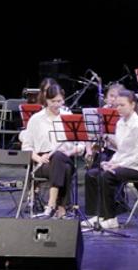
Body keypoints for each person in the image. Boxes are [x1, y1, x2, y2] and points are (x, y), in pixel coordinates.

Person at [84, 90, 138, 229]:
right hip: (121, 164)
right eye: (117, 105)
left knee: (107, 176)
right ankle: (98, 214)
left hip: (137, 168)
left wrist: (119, 165)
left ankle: (111, 217)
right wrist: (111, 162)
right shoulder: (120, 123)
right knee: (92, 174)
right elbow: (120, 150)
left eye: (122, 105)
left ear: (132, 105)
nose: (118, 108)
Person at [21, 84, 84, 218]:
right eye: (52, 101)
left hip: (65, 157)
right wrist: (39, 158)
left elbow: (81, 145)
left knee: (59, 156)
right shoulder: (36, 119)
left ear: (63, 100)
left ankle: (51, 203)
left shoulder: (68, 117)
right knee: (65, 169)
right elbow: (26, 147)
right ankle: (61, 208)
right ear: (46, 100)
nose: (56, 105)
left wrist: (72, 151)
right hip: (42, 163)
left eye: (59, 101)